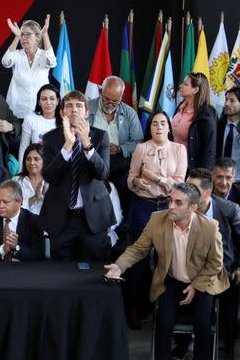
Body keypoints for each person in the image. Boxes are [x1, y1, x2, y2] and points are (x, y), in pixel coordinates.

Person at [105, 183, 227, 360]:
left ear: (192, 208)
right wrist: (119, 265)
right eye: (171, 200)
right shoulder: (157, 220)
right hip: (171, 278)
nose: (171, 206)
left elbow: (216, 264)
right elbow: (138, 249)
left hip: (201, 279)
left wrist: (196, 286)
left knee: (203, 322)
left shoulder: (209, 227)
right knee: (164, 321)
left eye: (178, 203)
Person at [124, 111, 187, 328]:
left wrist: (156, 178)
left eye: (162, 123)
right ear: (149, 128)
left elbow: (178, 185)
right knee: (139, 257)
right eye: (154, 124)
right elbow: (131, 178)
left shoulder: (179, 149)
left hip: (169, 206)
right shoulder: (142, 148)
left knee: (167, 257)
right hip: (143, 205)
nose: (158, 127)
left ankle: (164, 309)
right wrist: (137, 183)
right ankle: (135, 307)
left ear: (169, 127)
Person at [186, 168, 240, 360]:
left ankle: (227, 346)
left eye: (193, 188)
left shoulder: (229, 208)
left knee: (232, 286)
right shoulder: (182, 206)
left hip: (222, 268)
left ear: (206, 192)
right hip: (189, 268)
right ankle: (182, 343)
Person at [40, 90, 113, 261]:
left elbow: (103, 173)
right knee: (62, 274)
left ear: (87, 112)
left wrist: (87, 145)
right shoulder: (50, 138)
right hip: (61, 218)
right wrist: (67, 147)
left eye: (79, 106)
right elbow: (49, 176)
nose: (74, 110)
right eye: (69, 106)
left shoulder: (100, 136)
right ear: (61, 112)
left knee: (94, 271)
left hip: (93, 217)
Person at [87, 76, 144, 208]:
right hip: (93, 159)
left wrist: (121, 148)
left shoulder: (129, 113)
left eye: (115, 101)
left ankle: (122, 225)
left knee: (124, 188)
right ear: (100, 91)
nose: (110, 104)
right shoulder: (87, 107)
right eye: (107, 99)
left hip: (118, 161)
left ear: (122, 97)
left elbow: (139, 142)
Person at [0, 179, 44, 260]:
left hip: (23, 270)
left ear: (19, 202)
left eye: (5, 202)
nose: (0, 205)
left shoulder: (33, 221)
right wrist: (3, 249)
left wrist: (16, 247)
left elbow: (38, 255)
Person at [2, 15, 56, 119]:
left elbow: (52, 62)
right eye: (22, 35)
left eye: (28, 35)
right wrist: (16, 37)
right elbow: (5, 62)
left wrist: (44, 34)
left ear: (37, 37)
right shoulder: (17, 54)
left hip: (39, 112)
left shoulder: (43, 55)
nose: (24, 38)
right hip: (16, 112)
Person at [172, 72, 216, 170]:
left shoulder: (206, 115)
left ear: (196, 89)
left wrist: (201, 178)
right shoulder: (180, 106)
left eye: (185, 84)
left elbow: (209, 150)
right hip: (172, 165)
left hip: (190, 170)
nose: (180, 86)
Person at [216, 86, 240, 189]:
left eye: (232, 101)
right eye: (226, 100)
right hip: (219, 181)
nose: (227, 104)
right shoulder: (218, 125)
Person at [18, 84, 60, 162]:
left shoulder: (65, 121)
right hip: (35, 166)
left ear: (57, 101)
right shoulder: (30, 119)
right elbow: (24, 148)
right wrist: (21, 172)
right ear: (39, 102)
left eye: (52, 99)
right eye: (44, 99)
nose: (48, 102)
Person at [213, 157, 240, 225]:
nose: (224, 183)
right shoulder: (205, 192)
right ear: (212, 176)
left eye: (228, 177)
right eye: (219, 177)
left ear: (234, 178)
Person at [12, 143, 48, 215]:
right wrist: (34, 198)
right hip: (22, 224)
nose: (32, 162)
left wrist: (47, 196)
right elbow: (11, 208)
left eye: (36, 159)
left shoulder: (53, 181)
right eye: (28, 159)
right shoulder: (16, 181)